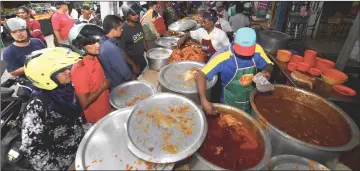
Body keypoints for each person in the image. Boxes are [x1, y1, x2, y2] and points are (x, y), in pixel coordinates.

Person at [19, 47, 84, 170]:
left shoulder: (63, 88)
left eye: (67, 68)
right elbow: (32, 149)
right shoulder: (37, 106)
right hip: (65, 162)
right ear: (46, 77)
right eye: (61, 70)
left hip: (78, 146)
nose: (68, 71)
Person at [196, 27, 274, 114]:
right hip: (229, 103)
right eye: (241, 50)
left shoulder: (257, 49)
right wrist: (203, 99)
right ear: (234, 42)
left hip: (250, 101)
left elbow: (269, 65)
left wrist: (266, 71)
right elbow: (201, 74)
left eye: (248, 51)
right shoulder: (222, 56)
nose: (244, 55)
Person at [68, 24, 112, 123]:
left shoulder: (94, 56)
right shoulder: (80, 69)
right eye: (91, 43)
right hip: (97, 117)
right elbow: (84, 103)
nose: (98, 45)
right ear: (79, 46)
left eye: (97, 41)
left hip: (105, 107)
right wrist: (104, 87)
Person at [100, 15, 136, 88]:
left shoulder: (102, 41)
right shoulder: (112, 49)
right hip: (119, 85)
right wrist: (133, 78)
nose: (122, 30)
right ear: (113, 30)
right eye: (120, 28)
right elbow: (124, 72)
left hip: (111, 81)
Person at [119, 2, 147, 76]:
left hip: (142, 60)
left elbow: (143, 39)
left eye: (138, 13)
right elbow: (122, 51)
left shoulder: (139, 24)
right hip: (132, 65)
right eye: (134, 14)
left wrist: (148, 51)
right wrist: (133, 65)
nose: (137, 16)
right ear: (126, 15)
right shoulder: (123, 30)